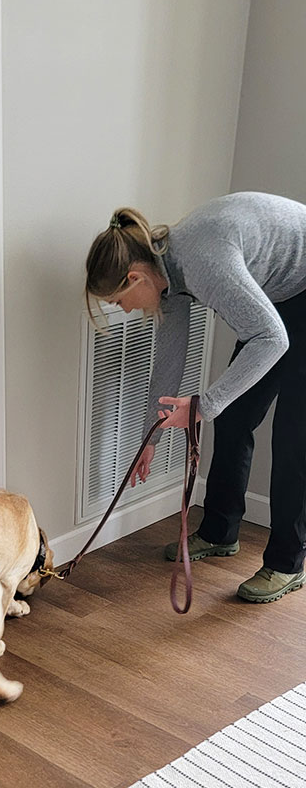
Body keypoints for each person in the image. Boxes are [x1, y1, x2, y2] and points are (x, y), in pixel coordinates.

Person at [85, 192, 306, 603]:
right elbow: (168, 365)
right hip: (281, 296)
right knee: (236, 414)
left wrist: (202, 406)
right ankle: (221, 531)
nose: (126, 310)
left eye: (118, 302)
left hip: (302, 288)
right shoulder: (166, 274)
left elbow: (272, 338)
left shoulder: (203, 262)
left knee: (294, 435)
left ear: (135, 278)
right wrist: (149, 440)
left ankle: (287, 563)